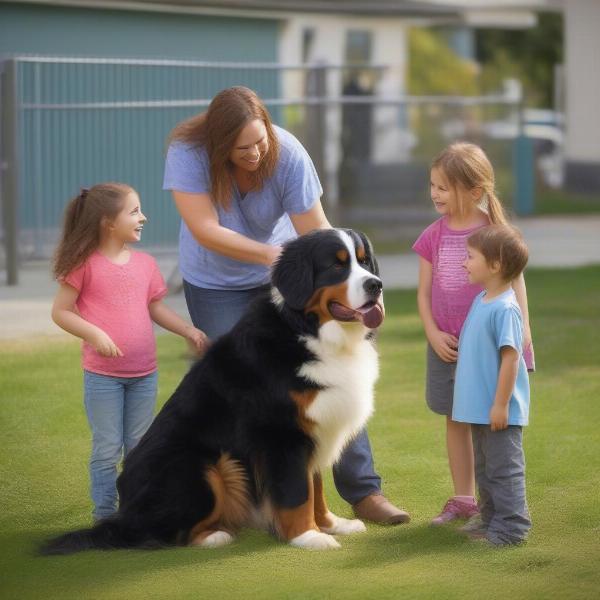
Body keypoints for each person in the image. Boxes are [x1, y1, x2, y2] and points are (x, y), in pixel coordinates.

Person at [163, 85, 408, 525]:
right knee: (244, 396)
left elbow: (319, 231)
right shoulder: (188, 151)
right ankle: (260, 505)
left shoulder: (288, 152)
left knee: (334, 378)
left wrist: (364, 295)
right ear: (219, 145)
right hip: (214, 283)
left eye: (260, 141)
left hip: (284, 286)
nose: (255, 152)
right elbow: (202, 227)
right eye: (242, 148)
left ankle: (365, 493)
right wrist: (267, 254)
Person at [51, 183, 208, 521]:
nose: (143, 217)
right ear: (108, 221)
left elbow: (155, 307)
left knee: (138, 447)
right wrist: (95, 333)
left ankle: (135, 513)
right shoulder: (85, 265)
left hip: (144, 376)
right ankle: (106, 517)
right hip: (103, 377)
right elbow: (60, 311)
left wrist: (187, 330)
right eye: (134, 211)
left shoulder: (145, 264)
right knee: (108, 448)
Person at [412, 142, 533, 525]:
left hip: (490, 349)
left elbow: (517, 285)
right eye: (432, 185)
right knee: (455, 417)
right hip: (447, 346)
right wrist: (432, 333)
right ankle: (465, 499)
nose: (435, 194)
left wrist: (524, 330)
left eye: (444, 187)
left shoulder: (495, 235)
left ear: (474, 191)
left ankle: (502, 506)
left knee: (493, 426)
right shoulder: (432, 235)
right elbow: (424, 291)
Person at [453, 224, 532, 545]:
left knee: (504, 470)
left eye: (470, 257)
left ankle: (512, 528)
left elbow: (512, 359)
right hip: (480, 409)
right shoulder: (483, 299)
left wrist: (500, 404)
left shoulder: (505, 308)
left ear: (496, 265)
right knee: (484, 470)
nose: (464, 262)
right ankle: (489, 520)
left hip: (498, 411)